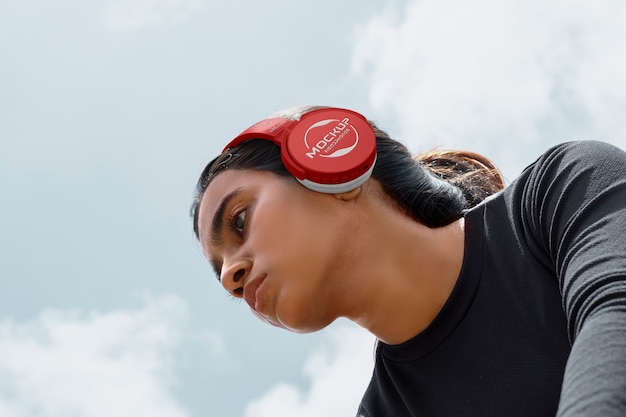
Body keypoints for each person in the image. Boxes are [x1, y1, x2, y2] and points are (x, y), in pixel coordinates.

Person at [190, 106, 626, 417]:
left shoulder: (560, 192)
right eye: (221, 273)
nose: (231, 275)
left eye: (240, 220)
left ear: (330, 167)